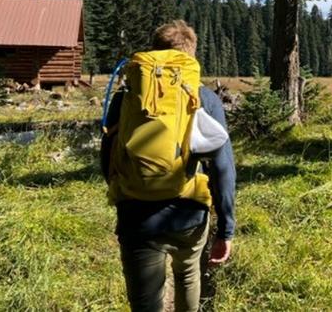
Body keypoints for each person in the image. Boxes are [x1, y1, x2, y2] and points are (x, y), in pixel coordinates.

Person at [101, 20, 236, 312]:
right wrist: (226, 229)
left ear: (154, 53)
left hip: (136, 215)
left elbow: (107, 157)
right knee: (188, 276)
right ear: (191, 55)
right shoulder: (205, 97)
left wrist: (126, 191)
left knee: (145, 302)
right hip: (189, 214)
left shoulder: (126, 97)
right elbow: (222, 167)